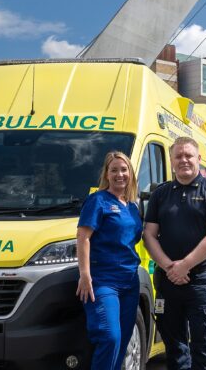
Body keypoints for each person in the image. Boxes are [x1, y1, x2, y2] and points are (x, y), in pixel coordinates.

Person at [143, 136, 206, 370]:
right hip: (167, 281)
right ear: (171, 161)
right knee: (174, 349)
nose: (184, 160)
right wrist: (169, 267)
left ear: (199, 159)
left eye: (188, 155)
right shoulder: (160, 194)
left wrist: (185, 265)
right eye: (178, 156)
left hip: (199, 281)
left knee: (203, 347)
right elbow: (148, 234)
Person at [76, 151, 143, 370]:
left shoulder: (132, 206)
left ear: (131, 174)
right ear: (106, 174)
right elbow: (83, 237)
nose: (119, 174)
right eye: (114, 170)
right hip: (103, 281)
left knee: (122, 341)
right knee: (110, 336)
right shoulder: (98, 200)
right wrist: (85, 275)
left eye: (124, 170)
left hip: (130, 282)